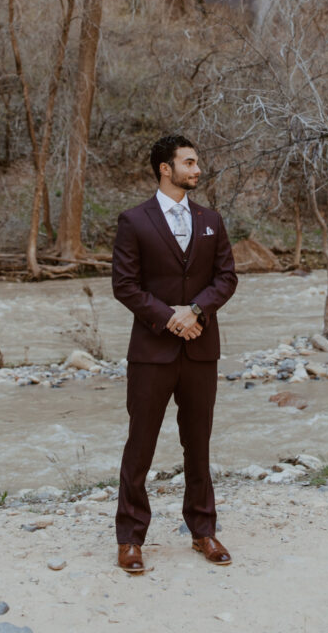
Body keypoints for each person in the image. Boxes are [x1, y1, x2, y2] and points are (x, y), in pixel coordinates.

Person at [112, 133, 238, 574]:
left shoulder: (211, 219)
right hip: (151, 352)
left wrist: (197, 311)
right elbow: (124, 286)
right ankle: (130, 539)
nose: (197, 169)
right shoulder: (134, 221)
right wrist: (171, 318)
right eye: (189, 162)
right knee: (140, 446)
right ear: (165, 168)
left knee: (198, 444)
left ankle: (203, 531)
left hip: (202, 351)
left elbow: (227, 278)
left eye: (197, 162)